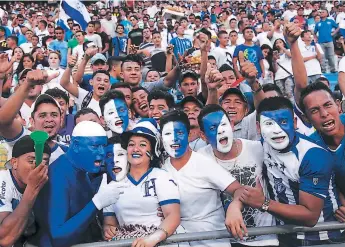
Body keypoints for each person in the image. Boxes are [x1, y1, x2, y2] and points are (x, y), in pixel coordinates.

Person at [32, 121, 127, 247]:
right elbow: (58, 237)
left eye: (103, 146)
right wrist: (97, 203)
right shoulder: (59, 175)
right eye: (94, 146)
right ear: (76, 145)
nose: (101, 152)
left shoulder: (82, 170)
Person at [160, 109, 247, 247]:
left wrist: (234, 207)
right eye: (168, 134)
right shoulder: (162, 170)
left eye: (180, 133)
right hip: (180, 242)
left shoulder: (203, 163)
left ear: (189, 135)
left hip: (212, 241)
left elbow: (239, 190)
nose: (174, 138)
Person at [198, 104, 278, 246]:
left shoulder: (257, 149)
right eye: (212, 128)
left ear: (232, 125)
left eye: (223, 124)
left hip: (265, 239)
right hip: (227, 240)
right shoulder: (200, 159)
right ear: (203, 135)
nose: (220, 131)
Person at [103, 119, 182, 247]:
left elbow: (173, 216)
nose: (136, 149)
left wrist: (152, 239)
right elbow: (110, 223)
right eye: (131, 144)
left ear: (152, 152)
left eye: (143, 145)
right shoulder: (114, 185)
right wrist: (108, 229)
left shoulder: (161, 177)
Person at [0, 136, 50, 247]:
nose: (38, 168)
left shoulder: (46, 182)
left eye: (44, 163)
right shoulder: (2, 181)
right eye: (32, 161)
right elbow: (4, 239)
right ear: (14, 163)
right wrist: (32, 188)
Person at [314, 9, 338, 73]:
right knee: (322, 57)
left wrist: (333, 33)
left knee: (331, 56)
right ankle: (323, 70)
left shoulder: (330, 21)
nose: (321, 13)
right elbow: (314, 32)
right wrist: (315, 38)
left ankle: (333, 69)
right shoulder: (318, 23)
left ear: (327, 14)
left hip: (329, 41)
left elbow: (338, 27)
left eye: (323, 12)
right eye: (321, 12)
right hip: (321, 42)